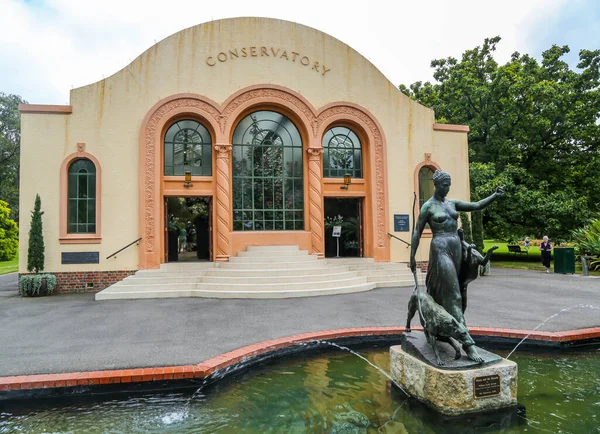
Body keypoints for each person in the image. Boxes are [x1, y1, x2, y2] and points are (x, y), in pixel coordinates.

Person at [409, 169, 504, 362]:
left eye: (449, 185)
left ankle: (444, 329)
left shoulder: (452, 203)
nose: (447, 189)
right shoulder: (428, 207)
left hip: (456, 248)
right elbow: (417, 231)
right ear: (436, 185)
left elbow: (476, 205)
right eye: (445, 185)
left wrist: (495, 195)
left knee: (461, 290)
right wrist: (412, 256)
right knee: (454, 294)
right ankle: (468, 345)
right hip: (440, 249)